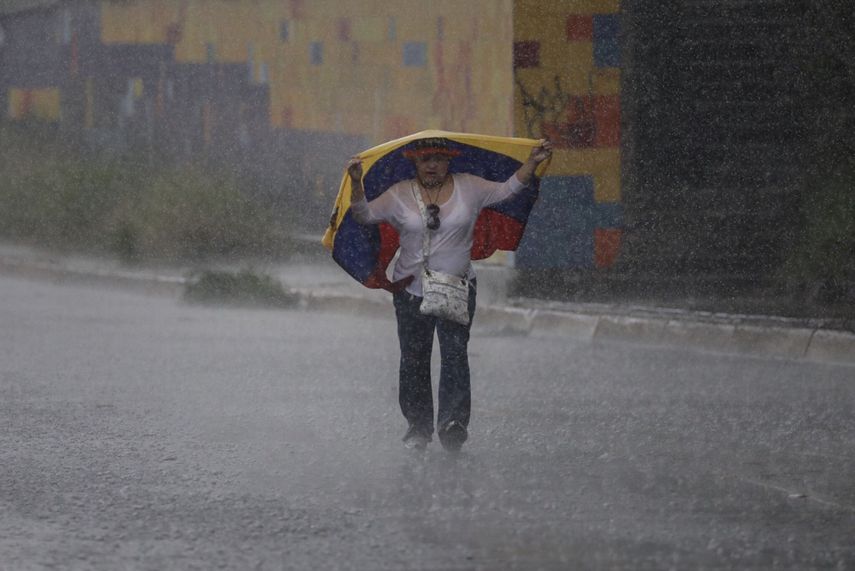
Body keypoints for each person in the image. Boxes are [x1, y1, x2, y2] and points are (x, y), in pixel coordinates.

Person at [347, 136, 552, 452]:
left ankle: (453, 424)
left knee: (455, 356)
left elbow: (509, 188)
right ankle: (418, 428)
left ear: (449, 161)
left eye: (439, 158)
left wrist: (533, 162)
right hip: (410, 292)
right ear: (415, 162)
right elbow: (364, 215)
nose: (432, 164)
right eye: (426, 158)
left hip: (457, 288)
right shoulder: (398, 194)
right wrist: (357, 183)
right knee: (414, 360)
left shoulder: (470, 186)